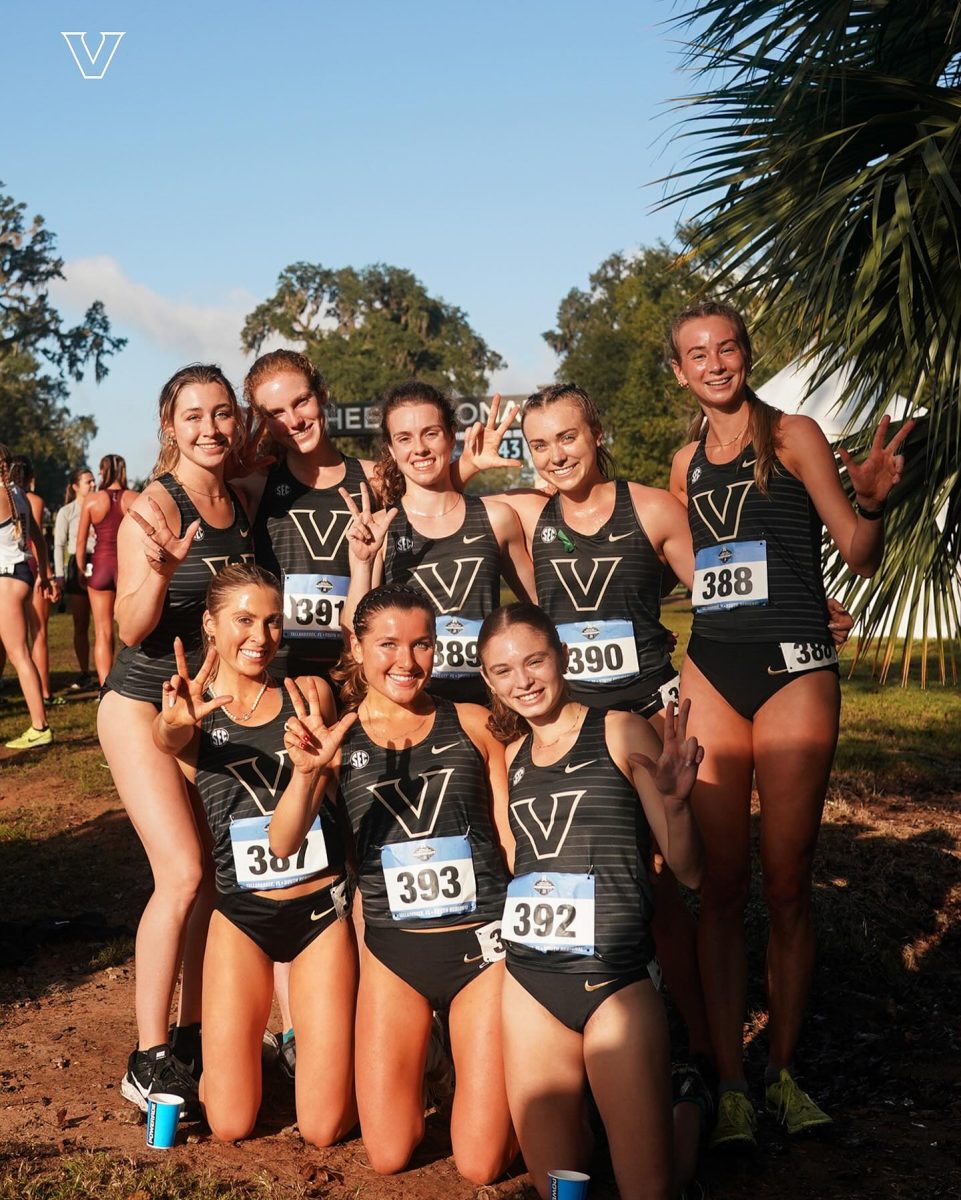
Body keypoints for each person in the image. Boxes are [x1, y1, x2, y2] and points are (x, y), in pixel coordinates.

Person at [667, 300, 914, 1145]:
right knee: (719, 885)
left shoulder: (793, 433)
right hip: (710, 666)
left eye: (725, 348)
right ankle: (729, 1083)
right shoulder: (683, 463)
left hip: (793, 668)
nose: (713, 363)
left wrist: (872, 501)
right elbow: (687, 573)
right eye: (696, 354)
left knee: (784, 877)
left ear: (745, 354)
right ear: (678, 371)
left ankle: (781, 1071)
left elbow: (853, 547)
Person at [269, 583, 517, 1184]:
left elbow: (513, 838)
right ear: (356, 647)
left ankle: (489, 1062)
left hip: (482, 949)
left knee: (481, 1165)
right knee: (388, 1153)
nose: (406, 662)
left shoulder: (475, 723)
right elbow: (282, 844)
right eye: (387, 645)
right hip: (393, 954)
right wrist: (307, 776)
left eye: (422, 644)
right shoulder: (334, 737)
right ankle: (434, 1051)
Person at [477, 602, 704, 1200]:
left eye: (534, 661)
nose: (522, 681)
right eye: (503, 671)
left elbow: (690, 870)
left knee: (650, 1190)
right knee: (560, 1189)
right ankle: (602, 1119)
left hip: (614, 982)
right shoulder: (511, 757)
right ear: (487, 680)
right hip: (531, 982)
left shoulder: (620, 727)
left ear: (563, 657)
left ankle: (687, 1109)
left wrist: (677, 806)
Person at [152, 563, 358, 1144]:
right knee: (231, 1123)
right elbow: (165, 738)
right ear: (211, 626)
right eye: (243, 620)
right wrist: (172, 723)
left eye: (271, 622)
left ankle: (343, 1055)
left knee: (322, 1129)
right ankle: (259, 1048)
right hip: (242, 918)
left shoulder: (306, 693)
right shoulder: (189, 708)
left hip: (319, 912)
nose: (261, 637)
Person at [98, 363, 254, 1114]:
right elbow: (130, 627)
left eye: (222, 414)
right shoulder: (151, 508)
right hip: (138, 706)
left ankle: (191, 1036)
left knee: (218, 884)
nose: (210, 429)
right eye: (193, 416)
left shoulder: (241, 502)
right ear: (168, 424)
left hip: (205, 715)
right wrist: (160, 569)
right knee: (184, 873)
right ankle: (148, 1053)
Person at [341, 380, 534, 704]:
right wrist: (362, 563)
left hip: (489, 706)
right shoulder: (378, 528)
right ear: (390, 449)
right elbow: (354, 639)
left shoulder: (497, 518)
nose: (419, 448)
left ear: (451, 434)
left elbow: (539, 611)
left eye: (430, 433)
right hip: (413, 707)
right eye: (404, 438)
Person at [243, 349, 378, 687]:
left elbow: (436, 497)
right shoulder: (254, 485)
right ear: (263, 422)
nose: (294, 420)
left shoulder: (375, 478)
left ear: (322, 394)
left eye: (301, 401)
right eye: (276, 412)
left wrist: (466, 468)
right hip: (277, 671)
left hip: (357, 669)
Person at [0, 445, 55, 748]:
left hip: (6, 578)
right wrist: (44, 577)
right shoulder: (17, 493)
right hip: (21, 572)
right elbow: (40, 542)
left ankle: (40, 726)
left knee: (19, 654)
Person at [76, 454, 139, 685]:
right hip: (126, 568)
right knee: (131, 630)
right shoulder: (135, 498)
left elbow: (81, 542)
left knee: (102, 632)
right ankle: (130, 682)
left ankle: (104, 687)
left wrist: (82, 570)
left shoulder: (91, 501)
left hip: (100, 565)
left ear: (102, 471)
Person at [9, 457, 61, 707]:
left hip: (12, 569)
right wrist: (46, 573)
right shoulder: (32, 500)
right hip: (31, 567)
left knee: (13, 641)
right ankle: (44, 692)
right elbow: (38, 539)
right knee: (38, 634)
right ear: (31, 476)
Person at [53, 467, 97, 690]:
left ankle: (109, 673)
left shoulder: (101, 506)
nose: (92, 485)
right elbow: (59, 544)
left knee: (103, 624)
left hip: (98, 562)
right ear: (75, 486)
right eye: (88, 482)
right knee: (81, 623)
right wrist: (59, 576)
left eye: (93, 481)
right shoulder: (67, 512)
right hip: (76, 565)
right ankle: (83, 673)